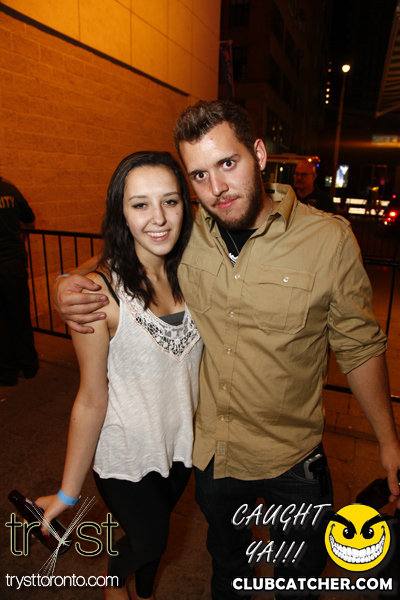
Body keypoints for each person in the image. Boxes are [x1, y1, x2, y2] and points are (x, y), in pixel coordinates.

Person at [53, 102, 400, 600]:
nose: (216, 187)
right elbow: (123, 249)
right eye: (199, 175)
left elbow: (360, 346)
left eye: (228, 163)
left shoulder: (327, 239)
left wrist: (387, 441)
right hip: (214, 457)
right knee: (228, 573)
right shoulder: (187, 232)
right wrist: (67, 282)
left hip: (292, 459)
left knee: (298, 585)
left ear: (258, 154)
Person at [36, 151, 203, 600]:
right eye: (140, 204)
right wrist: (68, 493)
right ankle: (112, 583)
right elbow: (91, 397)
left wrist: (61, 276)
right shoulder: (97, 296)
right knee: (151, 541)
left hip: (180, 447)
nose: (158, 218)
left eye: (170, 201)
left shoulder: (193, 271)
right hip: (125, 456)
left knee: (154, 541)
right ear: (121, 213)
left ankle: (142, 595)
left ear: (185, 206)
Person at [0, 176, 39, 386]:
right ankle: (29, 365)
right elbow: (29, 221)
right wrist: (19, 241)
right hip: (14, 264)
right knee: (20, 315)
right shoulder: (11, 190)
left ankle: (7, 373)